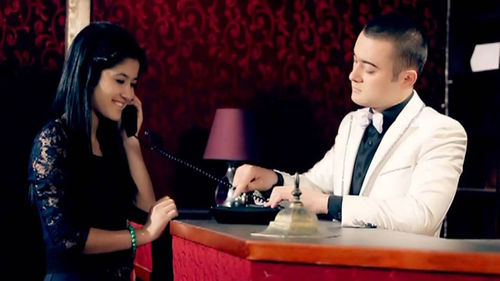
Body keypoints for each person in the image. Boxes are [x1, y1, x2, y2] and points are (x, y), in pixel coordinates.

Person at [233, 13, 467, 237]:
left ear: (407, 78)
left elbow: (422, 217)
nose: (353, 75)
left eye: (369, 69)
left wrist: (328, 204)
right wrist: (272, 179)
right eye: (355, 61)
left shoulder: (442, 132)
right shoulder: (352, 123)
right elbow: (316, 185)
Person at [27, 22, 178, 281]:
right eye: (120, 80)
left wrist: (130, 143)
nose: (129, 94)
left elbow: (145, 210)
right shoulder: (53, 139)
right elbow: (66, 237)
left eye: (133, 84)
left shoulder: (112, 142)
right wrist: (141, 236)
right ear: (88, 75)